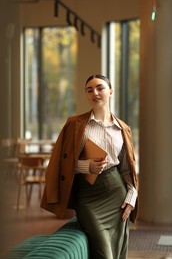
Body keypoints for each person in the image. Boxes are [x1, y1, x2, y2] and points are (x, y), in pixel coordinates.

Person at [41, 74, 138, 259]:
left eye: (100, 88)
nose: (95, 92)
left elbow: (127, 168)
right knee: (104, 254)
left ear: (110, 92)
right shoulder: (74, 125)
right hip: (87, 197)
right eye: (89, 89)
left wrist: (131, 198)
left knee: (118, 251)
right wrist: (86, 167)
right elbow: (59, 163)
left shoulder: (123, 128)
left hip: (116, 196)